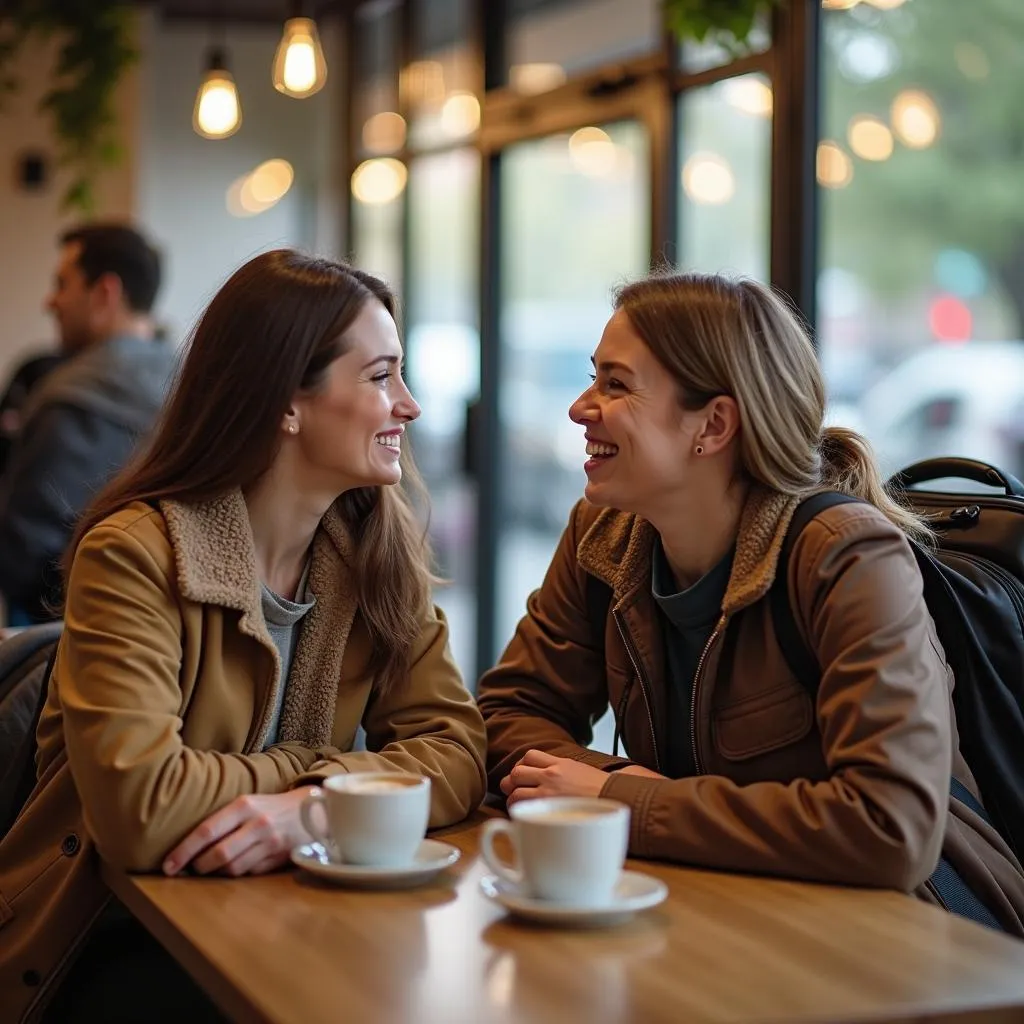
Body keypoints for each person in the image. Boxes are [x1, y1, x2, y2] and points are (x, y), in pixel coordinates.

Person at [0, 250, 487, 1022]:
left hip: (294, 922)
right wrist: (318, 770)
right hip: (104, 943)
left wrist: (316, 809)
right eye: (380, 376)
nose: (411, 405)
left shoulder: (378, 555)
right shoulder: (134, 553)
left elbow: (459, 752)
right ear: (287, 401)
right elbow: (142, 810)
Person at [478, 272, 1024, 934]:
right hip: (721, 904)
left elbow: (891, 828)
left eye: (615, 384)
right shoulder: (604, 535)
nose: (579, 408)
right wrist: (608, 787)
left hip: (911, 936)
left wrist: (621, 801)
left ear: (713, 424)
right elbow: (510, 714)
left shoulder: (846, 555)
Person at [0, 223, 174, 624]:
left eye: (62, 284)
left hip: (61, 634)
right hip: (156, 627)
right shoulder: (188, 384)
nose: (51, 302)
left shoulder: (73, 398)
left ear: (105, 294)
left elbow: (23, 553)